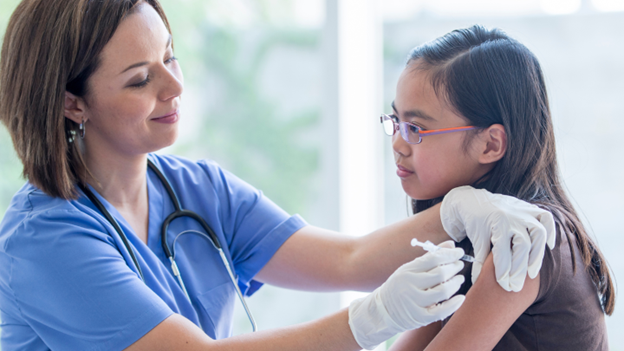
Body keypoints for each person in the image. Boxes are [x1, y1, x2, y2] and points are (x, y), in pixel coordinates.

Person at [0, 1, 555, 349]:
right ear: (74, 103)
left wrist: (459, 209)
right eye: (141, 79)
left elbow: (348, 259)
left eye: (171, 58)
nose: (175, 88)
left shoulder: (196, 189)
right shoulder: (43, 241)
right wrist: (373, 319)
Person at [381, 26, 615, 351]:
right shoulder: (469, 239)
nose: (397, 143)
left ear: (491, 144)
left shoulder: (525, 239)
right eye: (395, 121)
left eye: (415, 128)